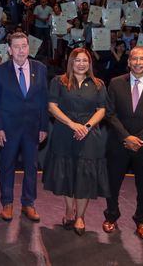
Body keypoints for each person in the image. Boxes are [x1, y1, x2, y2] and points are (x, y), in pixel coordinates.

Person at [103, 46, 143, 240]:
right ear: (128, 62)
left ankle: (142, 221)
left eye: (142, 59)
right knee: (112, 185)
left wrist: (138, 139)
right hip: (118, 145)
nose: (138, 62)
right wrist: (126, 137)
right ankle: (111, 217)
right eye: (134, 58)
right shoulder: (115, 83)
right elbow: (110, 113)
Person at [42, 48, 109, 236]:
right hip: (64, 134)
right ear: (71, 62)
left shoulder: (98, 84)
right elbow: (51, 106)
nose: (81, 64)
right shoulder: (59, 81)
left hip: (89, 136)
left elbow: (102, 109)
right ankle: (69, 211)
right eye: (77, 60)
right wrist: (72, 124)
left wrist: (86, 127)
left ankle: (80, 216)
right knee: (67, 174)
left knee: (84, 177)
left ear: (90, 63)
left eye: (85, 61)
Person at [0, 32, 49, 222]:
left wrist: (43, 127)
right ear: (9, 50)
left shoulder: (40, 69)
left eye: (24, 46)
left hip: (33, 128)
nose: (21, 50)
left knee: (31, 167)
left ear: (28, 47)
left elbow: (43, 100)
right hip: (8, 128)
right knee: (7, 165)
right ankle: (7, 203)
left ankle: (28, 203)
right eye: (16, 47)